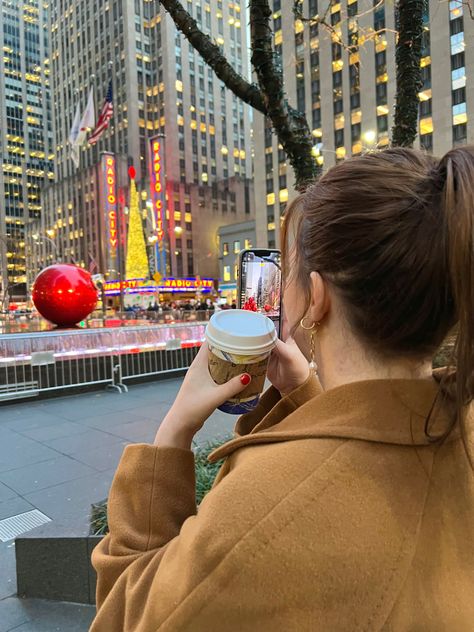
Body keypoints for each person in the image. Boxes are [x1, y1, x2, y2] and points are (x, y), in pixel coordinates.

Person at [90, 147, 474, 631]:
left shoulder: (256, 513)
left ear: (316, 297)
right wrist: (305, 394)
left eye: (287, 267)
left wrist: (170, 438)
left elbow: (126, 616)